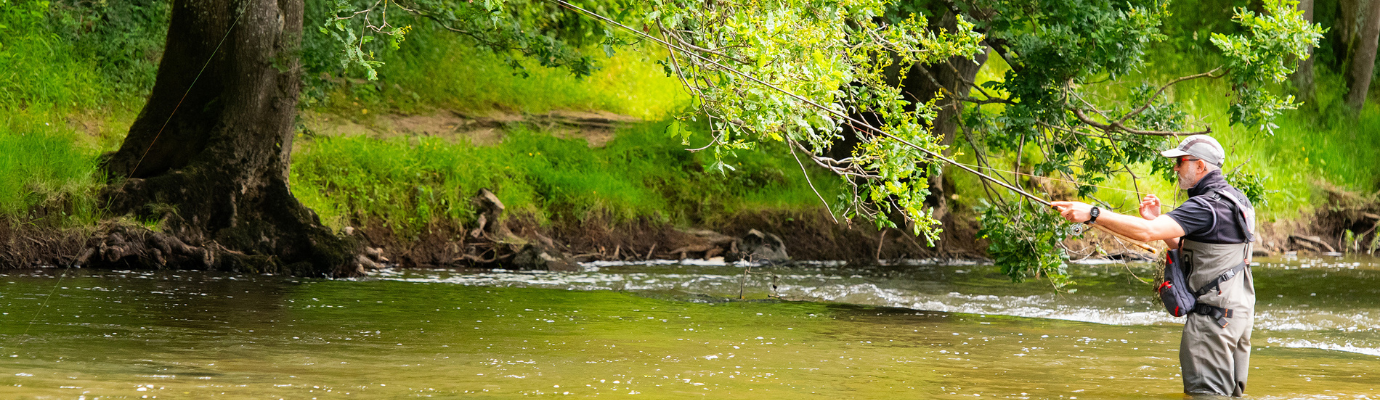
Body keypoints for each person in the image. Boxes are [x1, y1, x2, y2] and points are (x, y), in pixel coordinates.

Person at [1051, 135, 1256, 397]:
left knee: (1205, 394)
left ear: (1201, 166)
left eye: (1180, 162)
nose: (1175, 168)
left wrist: (1093, 213)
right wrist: (1158, 220)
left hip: (1212, 322)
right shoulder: (1237, 200)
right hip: (1236, 319)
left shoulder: (1205, 206)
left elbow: (1146, 232)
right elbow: (1197, 250)